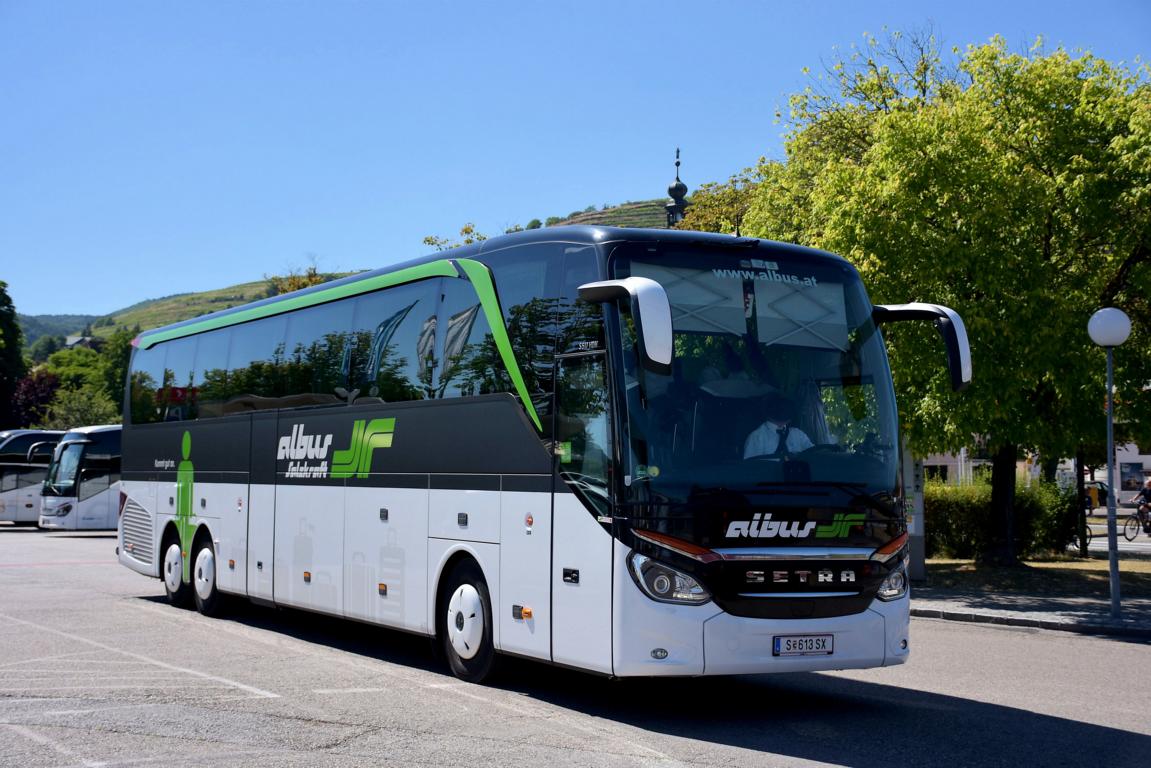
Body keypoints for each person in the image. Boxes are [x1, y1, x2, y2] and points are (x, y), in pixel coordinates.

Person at [743, 394, 814, 458]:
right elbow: (750, 468)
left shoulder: (798, 434)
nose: (782, 410)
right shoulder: (757, 437)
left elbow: (814, 453)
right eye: (780, 408)